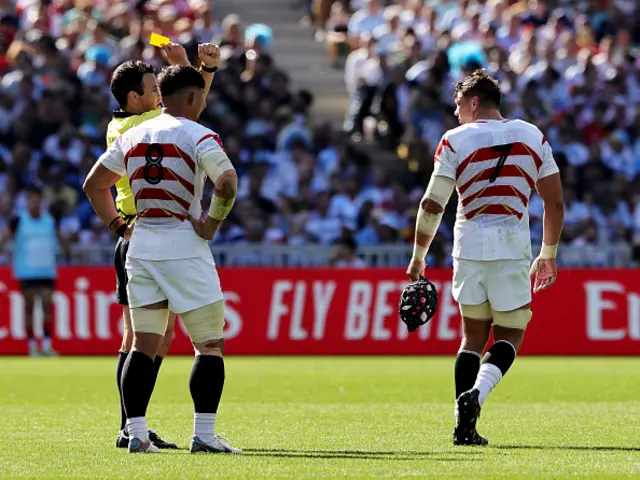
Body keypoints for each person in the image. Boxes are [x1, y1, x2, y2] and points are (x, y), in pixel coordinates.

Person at [83, 65, 241, 454]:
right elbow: (227, 181)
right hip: (183, 244)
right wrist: (211, 224)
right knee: (208, 344)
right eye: (201, 95)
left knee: (143, 345)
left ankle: (136, 433)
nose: (204, 100)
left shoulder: (132, 134)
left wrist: (118, 227)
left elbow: (93, 184)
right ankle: (203, 435)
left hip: (141, 245)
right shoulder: (200, 135)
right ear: (191, 99)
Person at [405, 69, 564, 446]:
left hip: (469, 243)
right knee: (510, 333)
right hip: (511, 245)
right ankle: (477, 397)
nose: (456, 113)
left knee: (471, 337)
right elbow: (554, 202)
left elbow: (432, 203)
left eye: (459, 105)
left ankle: (464, 427)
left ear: (474, 102)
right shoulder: (532, 134)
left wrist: (418, 256)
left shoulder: (453, 140)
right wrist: (549, 253)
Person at [106, 42, 220, 450]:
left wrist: (197, 70)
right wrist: (189, 68)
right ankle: (128, 426)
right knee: (138, 338)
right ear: (134, 98)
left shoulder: (132, 123)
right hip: (141, 234)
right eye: (152, 89)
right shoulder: (134, 128)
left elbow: (187, 101)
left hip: (146, 236)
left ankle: (134, 425)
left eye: (159, 88)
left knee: (157, 336)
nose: (158, 95)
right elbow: (185, 108)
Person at [0, 186, 70, 356]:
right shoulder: (18, 220)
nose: (35, 204)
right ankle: (32, 345)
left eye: (38, 201)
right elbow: (4, 237)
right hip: (27, 271)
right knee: (30, 308)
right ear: (27, 202)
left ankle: (46, 344)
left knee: (47, 307)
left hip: (46, 271)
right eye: (32, 201)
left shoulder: (50, 220)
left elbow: (61, 238)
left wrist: (67, 253)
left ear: (41, 202)